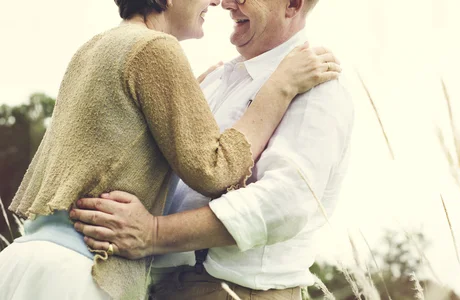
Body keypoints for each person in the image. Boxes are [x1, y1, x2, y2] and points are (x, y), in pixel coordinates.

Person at [0, 0, 342, 298]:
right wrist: (277, 89)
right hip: (81, 272)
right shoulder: (159, 52)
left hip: (27, 259)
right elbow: (215, 168)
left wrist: (154, 234)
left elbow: (284, 203)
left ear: (293, 4)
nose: (219, 1)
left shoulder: (94, 46)